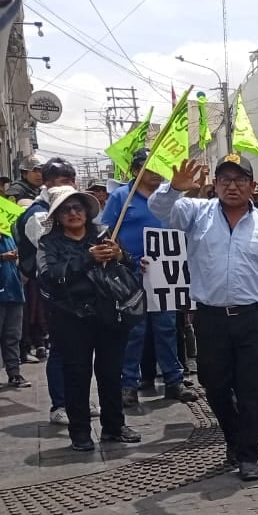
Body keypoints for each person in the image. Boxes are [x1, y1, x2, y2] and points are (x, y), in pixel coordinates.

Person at [149, 154, 258, 482]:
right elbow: (158, 209)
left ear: (252, 187)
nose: (232, 186)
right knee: (213, 384)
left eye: (240, 180)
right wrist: (175, 188)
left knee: (254, 389)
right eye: (225, 180)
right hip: (211, 318)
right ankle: (233, 438)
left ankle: (248, 454)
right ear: (214, 185)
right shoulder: (195, 213)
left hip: (256, 317)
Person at [36, 186, 138, 451]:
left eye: (77, 208)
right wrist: (88, 258)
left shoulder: (103, 235)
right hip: (70, 319)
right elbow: (50, 277)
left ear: (86, 211)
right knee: (77, 376)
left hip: (108, 315)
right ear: (57, 216)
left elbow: (128, 266)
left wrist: (119, 255)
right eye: (66, 209)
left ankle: (114, 427)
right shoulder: (48, 243)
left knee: (110, 373)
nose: (73, 213)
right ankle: (80, 432)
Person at [100, 147, 199, 407]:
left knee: (166, 328)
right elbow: (104, 231)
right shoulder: (121, 197)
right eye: (148, 166)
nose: (156, 172)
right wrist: (119, 254)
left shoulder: (170, 197)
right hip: (130, 274)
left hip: (165, 273)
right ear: (135, 171)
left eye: (158, 167)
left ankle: (174, 381)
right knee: (134, 330)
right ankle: (128, 384)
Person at [16, 158, 78, 419]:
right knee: (62, 348)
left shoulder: (69, 208)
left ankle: (78, 401)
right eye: (63, 181)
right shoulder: (37, 213)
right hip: (53, 292)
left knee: (81, 349)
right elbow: (52, 249)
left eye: (71, 181)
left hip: (76, 289)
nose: (69, 186)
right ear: (48, 183)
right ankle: (60, 405)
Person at [0, 214, 26, 390]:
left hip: (14, 291)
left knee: (13, 336)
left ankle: (14, 373)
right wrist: (1, 256)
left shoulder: (9, 232)